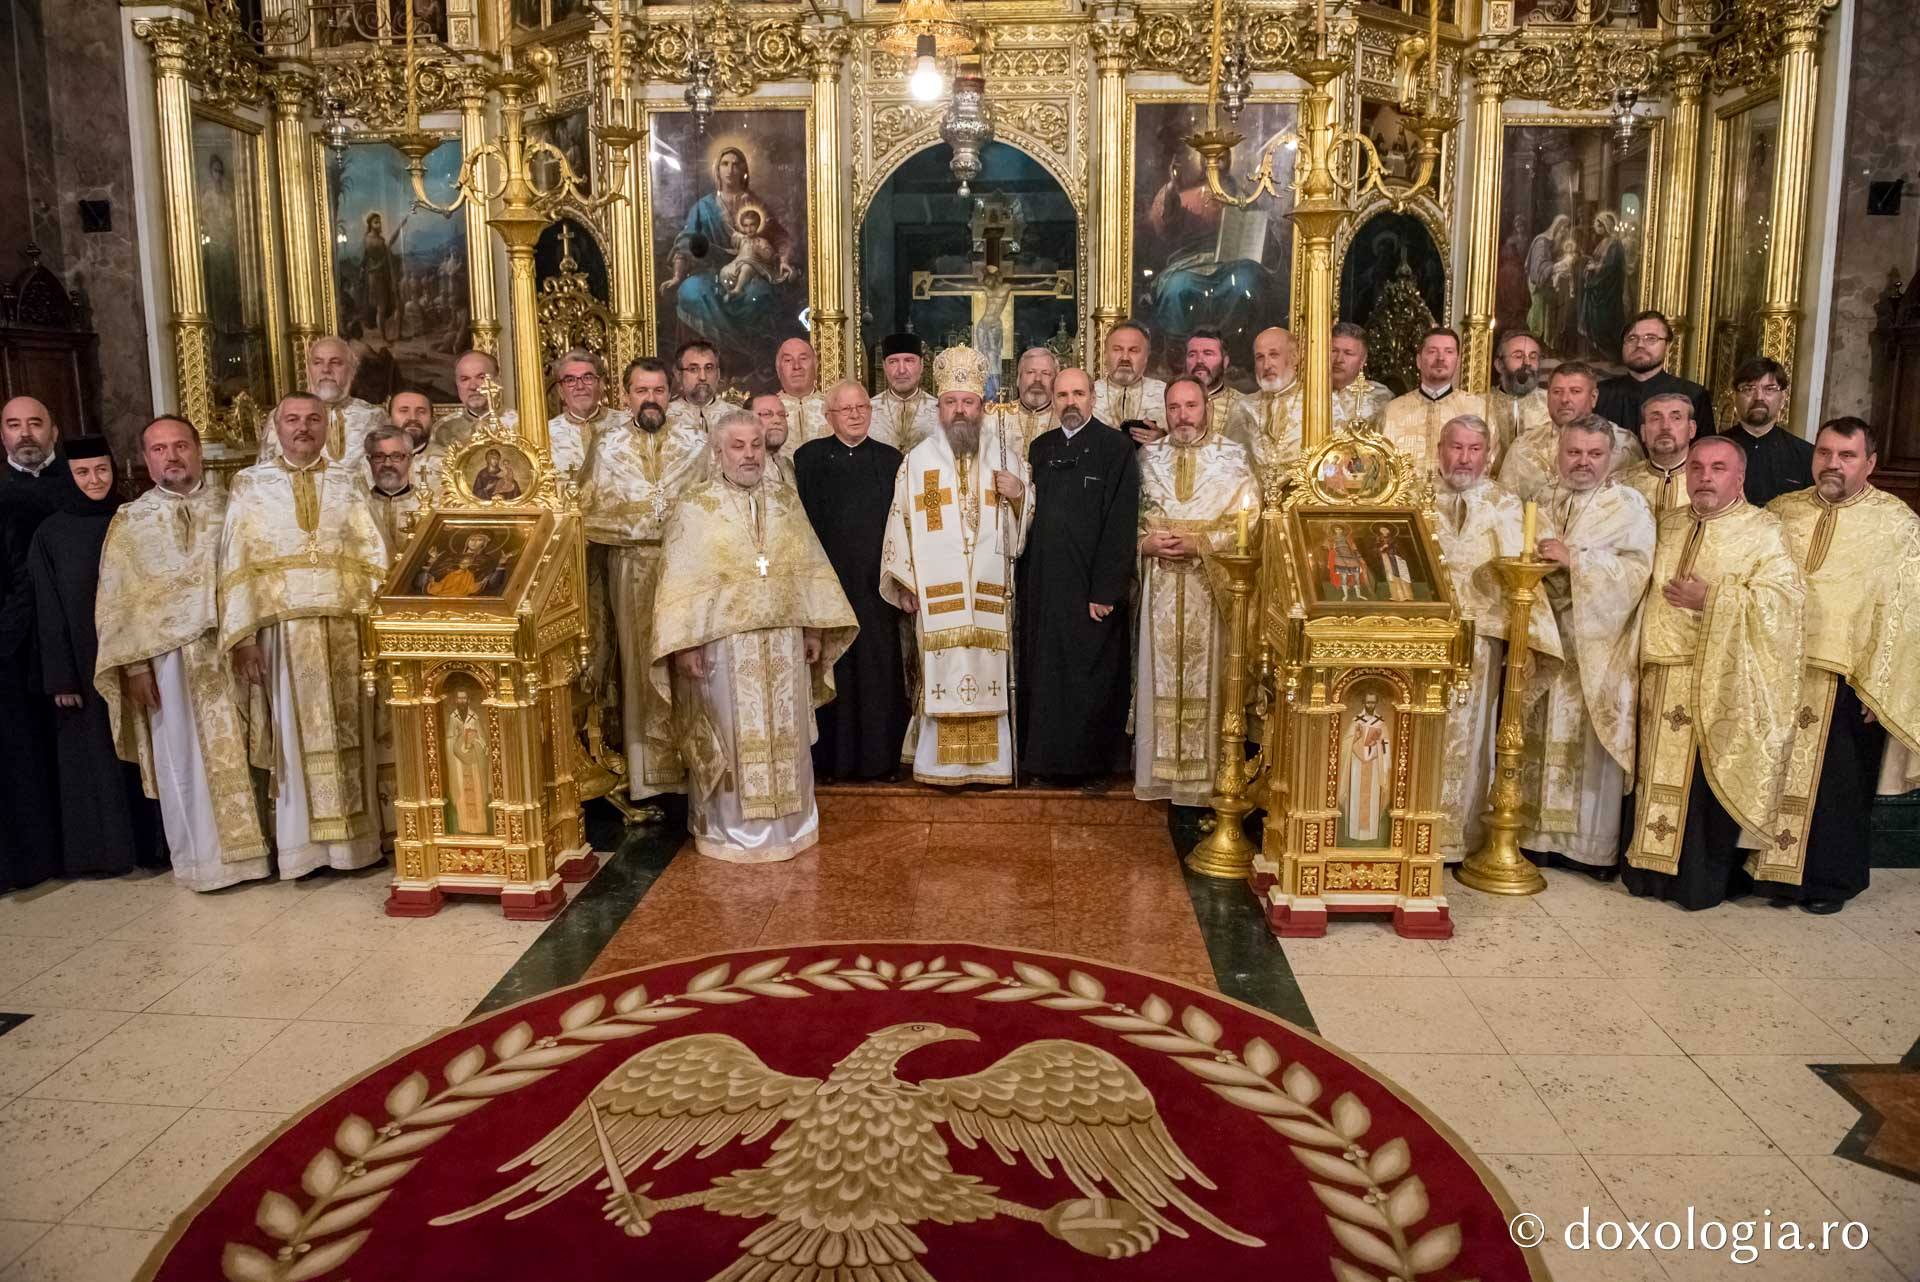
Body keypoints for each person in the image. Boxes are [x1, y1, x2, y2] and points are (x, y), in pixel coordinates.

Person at [652, 411, 855, 861]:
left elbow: (806, 569)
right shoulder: (695, 507)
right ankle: (730, 831)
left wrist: (812, 629)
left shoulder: (785, 500)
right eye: (738, 446)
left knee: (788, 733)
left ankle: (792, 827)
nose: (749, 455)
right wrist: (685, 643)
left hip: (784, 640)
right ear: (718, 452)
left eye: (756, 446)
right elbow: (680, 582)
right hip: (724, 646)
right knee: (731, 738)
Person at [1624, 436, 1805, 910]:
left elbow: (1785, 602)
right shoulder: (1668, 524)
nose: (1706, 476)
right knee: (1655, 779)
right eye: (1699, 467)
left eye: (1719, 468)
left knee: (1703, 788)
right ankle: (1650, 873)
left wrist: (1714, 600)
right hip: (1661, 676)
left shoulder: (1763, 529)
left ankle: (1698, 882)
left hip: (1720, 675)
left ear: (1739, 478)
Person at [95, 416, 271, 891]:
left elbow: (255, 574)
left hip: (231, 650)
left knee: (246, 745)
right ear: (145, 458)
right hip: (167, 662)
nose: (171, 457)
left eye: (180, 446)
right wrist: (132, 667)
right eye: (158, 449)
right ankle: (203, 863)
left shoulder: (231, 508)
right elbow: (118, 599)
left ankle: (256, 856)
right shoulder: (131, 521)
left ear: (197, 451)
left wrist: (250, 637)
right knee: (183, 759)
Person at [222, 395, 390, 877]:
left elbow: (372, 551)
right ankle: (302, 850)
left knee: (350, 731)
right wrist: (245, 637)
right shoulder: (250, 485)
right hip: (283, 632)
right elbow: (236, 561)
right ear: (276, 427)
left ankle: (354, 847)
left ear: (327, 428)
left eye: (313, 420)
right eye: (293, 420)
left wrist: (378, 625)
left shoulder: (348, 479)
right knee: (293, 737)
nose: (303, 428)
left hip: (346, 626)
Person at [1762, 419, 1920, 912]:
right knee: (1772, 775)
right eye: (1825, 453)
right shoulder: (1780, 512)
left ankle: (1829, 884)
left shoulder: (1897, 523)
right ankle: (1770, 877)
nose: (1833, 464)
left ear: (1870, 463)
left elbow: (1908, 610)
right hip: (1778, 669)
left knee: (1838, 790)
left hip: (1851, 680)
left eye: (1847, 456)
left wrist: (1884, 684)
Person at [880, 346, 1033, 786]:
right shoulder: (917, 462)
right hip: (937, 595)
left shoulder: (1005, 455)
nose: (960, 411)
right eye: (952, 402)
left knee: (990, 673)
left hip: (990, 594)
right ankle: (939, 764)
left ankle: (992, 765)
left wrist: (1020, 494)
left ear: (981, 407)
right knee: (940, 675)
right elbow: (899, 521)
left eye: (969, 402)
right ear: (940, 407)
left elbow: (1027, 526)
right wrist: (905, 582)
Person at [1520, 415, 1656, 877]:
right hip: (1547, 639)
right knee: (1538, 735)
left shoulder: (1629, 505)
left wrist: (1574, 558)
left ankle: (1586, 849)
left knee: (1587, 746)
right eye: (1573, 453)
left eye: (1594, 454)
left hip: (1598, 649)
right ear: (1559, 452)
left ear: (1611, 456)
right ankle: (1534, 839)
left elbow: (1638, 572)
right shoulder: (1539, 499)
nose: (1583, 462)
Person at [27, 436, 166, 878]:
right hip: (84, 665)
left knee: (144, 748)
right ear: (69, 476)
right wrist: (62, 678)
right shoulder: (51, 533)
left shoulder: (133, 519)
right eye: (83, 472)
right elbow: (47, 609)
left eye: (102, 470)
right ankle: (106, 853)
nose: (95, 480)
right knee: (96, 759)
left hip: (137, 654)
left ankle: (156, 848)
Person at [579, 356, 709, 805]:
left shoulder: (695, 440)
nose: (650, 399)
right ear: (625, 394)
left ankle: (695, 768)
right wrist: (643, 523)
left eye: (657, 391)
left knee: (689, 664)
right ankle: (649, 775)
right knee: (638, 664)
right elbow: (591, 509)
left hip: (686, 568)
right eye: (641, 391)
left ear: (669, 394)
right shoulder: (608, 444)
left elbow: (709, 501)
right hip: (631, 567)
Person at [1431, 416, 1560, 861]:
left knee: (1471, 739)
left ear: (1488, 456)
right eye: (1455, 447)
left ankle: (1457, 838)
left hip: (1481, 642)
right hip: (1420, 640)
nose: (1463, 458)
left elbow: (1526, 582)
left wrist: (1525, 644)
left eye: (1473, 449)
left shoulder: (1507, 506)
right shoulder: (1413, 498)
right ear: (1439, 449)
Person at [1133, 376, 1259, 805]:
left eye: (1190, 406)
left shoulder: (1234, 458)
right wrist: (1143, 544)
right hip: (1159, 586)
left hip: (1210, 589)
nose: (1182, 416)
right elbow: (1124, 518)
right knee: (1158, 674)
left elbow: (1251, 521)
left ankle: (1204, 785)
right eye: (1173, 408)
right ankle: (1160, 778)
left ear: (1206, 407)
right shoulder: (1146, 458)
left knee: (1213, 676)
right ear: (1164, 411)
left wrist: (1202, 544)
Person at [1020, 366, 1139, 785]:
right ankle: (1043, 763)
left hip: (1092, 589)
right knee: (1046, 673)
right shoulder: (1039, 448)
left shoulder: (1116, 449)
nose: (1070, 402)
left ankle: (1091, 767)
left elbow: (1121, 523)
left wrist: (1106, 589)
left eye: (1078, 394)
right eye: (1062, 395)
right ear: (1053, 401)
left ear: (1093, 397)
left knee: (1092, 677)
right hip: (1045, 587)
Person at [793, 379, 909, 782]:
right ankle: (831, 764)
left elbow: (905, 525)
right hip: (828, 587)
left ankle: (880, 762)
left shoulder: (891, 460)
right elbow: (799, 527)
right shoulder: (807, 459)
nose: (856, 414)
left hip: (877, 588)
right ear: (829, 417)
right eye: (846, 409)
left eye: (862, 407)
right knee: (833, 673)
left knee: (878, 672)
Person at [0, 394, 69, 888]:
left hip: (69, 636)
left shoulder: (81, 482)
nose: (26, 433)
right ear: (2, 434)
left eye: (35, 423)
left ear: (54, 431)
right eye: (13, 424)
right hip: (12, 644)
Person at [1497, 360, 1642, 501]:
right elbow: (1506, 505)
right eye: (1557, 391)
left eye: (1575, 391)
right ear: (1547, 397)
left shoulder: (1624, 444)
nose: (1565, 399)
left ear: (1593, 397)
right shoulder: (1524, 446)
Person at [258, 336, 389, 470]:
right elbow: (264, 474)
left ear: (353, 370)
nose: (326, 369)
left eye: (336, 362)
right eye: (318, 362)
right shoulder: (281, 415)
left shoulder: (374, 416)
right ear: (309, 370)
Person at [1596, 310, 1715, 437]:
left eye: (1651, 338)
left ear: (1667, 346)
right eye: (1632, 338)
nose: (1640, 345)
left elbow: (1704, 449)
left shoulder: (1694, 395)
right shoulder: (1600, 393)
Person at [1380, 327, 1485, 467]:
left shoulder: (1478, 409)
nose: (1440, 358)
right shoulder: (1393, 411)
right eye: (1432, 351)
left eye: (1448, 351)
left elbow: (1489, 464)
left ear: (1458, 361)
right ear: (1418, 360)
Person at [1722, 357, 1813, 506]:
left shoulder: (1805, 455)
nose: (1759, 397)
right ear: (1734, 397)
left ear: (1783, 398)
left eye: (1769, 389)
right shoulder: (1711, 452)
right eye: (1748, 389)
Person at [425, 350, 517, 482]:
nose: (473, 386)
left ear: (497, 381)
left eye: (481, 377)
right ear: (457, 385)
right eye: (465, 379)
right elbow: (437, 477)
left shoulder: (518, 422)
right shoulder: (443, 428)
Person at [1614, 392, 1695, 518]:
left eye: (1676, 418)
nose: (1665, 427)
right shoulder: (1618, 484)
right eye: (1655, 419)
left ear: (1691, 429)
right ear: (1643, 432)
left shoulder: (1709, 483)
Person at [547, 348, 619, 482]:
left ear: (601, 384)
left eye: (588, 378)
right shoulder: (547, 434)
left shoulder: (625, 424)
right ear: (561, 390)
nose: (580, 386)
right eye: (570, 380)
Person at [1183, 329, 1257, 457]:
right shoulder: (1169, 403)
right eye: (1192, 354)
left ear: (1225, 362)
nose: (1199, 360)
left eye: (1208, 353)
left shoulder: (1245, 406)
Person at [1092, 320, 1167, 437]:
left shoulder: (1165, 394)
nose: (1125, 357)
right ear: (1105, 354)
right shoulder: (1087, 393)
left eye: (1133, 350)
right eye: (1117, 349)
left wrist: (1162, 438)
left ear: (1146, 356)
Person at [1485, 330, 1549, 464]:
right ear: (1499, 364)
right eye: (1518, 356)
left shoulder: (1551, 404)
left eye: (1533, 356)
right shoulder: (1480, 404)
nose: (1527, 363)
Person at [1248, 325, 1303, 479]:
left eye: (1274, 355)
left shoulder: (1318, 405)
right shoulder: (1242, 408)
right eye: (1260, 357)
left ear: (1294, 358)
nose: (1266, 365)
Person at [364, 425, 424, 557]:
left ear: (410, 459)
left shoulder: (427, 507)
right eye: (379, 456)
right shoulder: (359, 507)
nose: (387, 464)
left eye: (396, 456)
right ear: (369, 461)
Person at [874, 333, 939, 451]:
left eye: (909, 361)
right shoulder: (866, 411)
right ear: (884, 366)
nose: (901, 370)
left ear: (922, 365)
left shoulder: (941, 411)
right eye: (893, 362)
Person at [666, 339, 744, 435]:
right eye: (693, 369)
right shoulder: (666, 417)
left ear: (718, 374)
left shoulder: (738, 417)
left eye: (709, 368)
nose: (703, 377)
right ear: (678, 375)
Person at [1330, 322, 1393, 431]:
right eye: (1333, 351)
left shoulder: (1381, 396)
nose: (1339, 360)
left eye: (1348, 353)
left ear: (1362, 360)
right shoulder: (1303, 395)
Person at [999, 346, 1059, 453]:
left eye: (1045, 373)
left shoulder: (1064, 420)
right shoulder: (997, 417)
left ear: (1056, 381)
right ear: (1018, 379)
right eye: (1030, 372)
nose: (1038, 379)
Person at [775, 337, 829, 448]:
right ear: (778, 369)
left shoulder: (836, 407)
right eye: (788, 360)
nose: (796, 366)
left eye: (803, 359)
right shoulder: (764, 411)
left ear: (816, 366)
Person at [749, 393, 795, 488]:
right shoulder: (741, 466)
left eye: (782, 415)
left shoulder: (787, 464)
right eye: (766, 414)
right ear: (747, 420)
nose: (777, 420)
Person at [388, 388, 435, 457]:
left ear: (432, 420)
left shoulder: (447, 461)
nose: (413, 418)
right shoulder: (370, 462)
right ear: (389, 419)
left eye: (421, 412)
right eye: (404, 411)